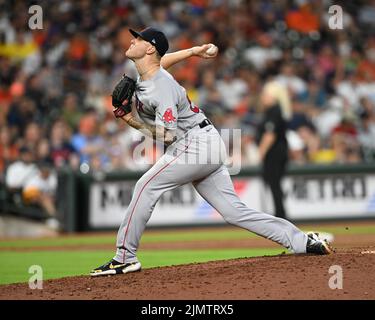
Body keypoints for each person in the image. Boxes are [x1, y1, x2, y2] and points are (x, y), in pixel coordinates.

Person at [90, 27, 333, 277]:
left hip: (193, 144)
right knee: (234, 211)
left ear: (150, 48)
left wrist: (132, 121)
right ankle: (301, 241)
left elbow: (167, 135)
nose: (132, 40)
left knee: (145, 186)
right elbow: (164, 61)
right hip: (206, 141)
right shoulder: (149, 73)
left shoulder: (161, 87)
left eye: (139, 38)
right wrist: (193, 51)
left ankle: (124, 257)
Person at [257, 81, 290, 219]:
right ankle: (279, 214)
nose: (263, 97)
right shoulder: (273, 111)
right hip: (278, 152)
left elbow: (270, 135)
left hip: (274, 153)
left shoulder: (274, 111)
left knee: (274, 184)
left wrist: (260, 153)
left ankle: (280, 215)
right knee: (275, 185)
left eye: (266, 94)